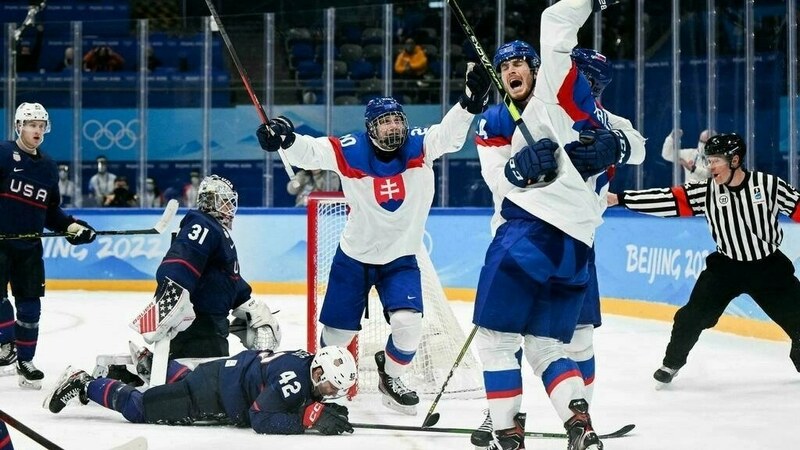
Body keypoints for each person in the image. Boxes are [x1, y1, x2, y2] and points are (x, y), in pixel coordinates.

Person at [256, 64, 491, 415]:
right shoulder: (350, 150)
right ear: (370, 129)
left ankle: (390, 378)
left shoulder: (420, 146)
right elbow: (311, 151)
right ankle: (320, 390)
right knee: (336, 338)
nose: (393, 127)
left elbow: (450, 135)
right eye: (385, 122)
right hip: (354, 259)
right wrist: (285, 139)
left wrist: (469, 103)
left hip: (401, 259)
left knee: (409, 327)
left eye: (397, 120)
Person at [471, 40, 644, 449]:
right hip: (547, 237)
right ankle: (551, 417)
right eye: (575, 74)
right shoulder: (508, 116)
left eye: (588, 80)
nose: (580, 83)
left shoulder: (597, 118)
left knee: (559, 337)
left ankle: (541, 417)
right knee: (527, 339)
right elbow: (497, 179)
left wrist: (618, 143)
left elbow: (636, 145)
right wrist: (514, 170)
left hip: (556, 238)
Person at [607, 133, 800, 386]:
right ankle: (672, 363)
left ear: (735, 160)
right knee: (690, 317)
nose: (710, 166)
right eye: (709, 161)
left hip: (768, 269)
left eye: (716, 160)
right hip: (726, 269)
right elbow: (667, 199)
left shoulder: (768, 185)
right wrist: (621, 199)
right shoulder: (706, 191)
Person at [46, 347, 358, 436]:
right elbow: (260, 418)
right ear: (318, 372)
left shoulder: (306, 362)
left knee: (185, 384)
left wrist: (317, 408)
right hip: (211, 393)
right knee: (142, 408)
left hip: (220, 375)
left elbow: (283, 391)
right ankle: (84, 383)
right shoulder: (296, 381)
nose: (332, 392)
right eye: (332, 385)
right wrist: (305, 421)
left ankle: (153, 364)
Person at [0, 102, 96, 390]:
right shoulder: (3, 154)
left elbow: (51, 212)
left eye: (41, 126)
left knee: (30, 307)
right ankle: (6, 343)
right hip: (0, 243)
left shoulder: (48, 167)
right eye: (32, 124)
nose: (37, 130)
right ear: (19, 126)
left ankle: (25, 361)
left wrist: (72, 227)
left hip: (29, 247)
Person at [151, 174, 280, 359]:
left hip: (213, 326)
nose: (230, 207)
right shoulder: (202, 223)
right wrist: (173, 296)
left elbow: (226, 276)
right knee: (201, 376)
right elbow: (181, 261)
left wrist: (245, 300)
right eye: (225, 201)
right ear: (209, 201)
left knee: (215, 372)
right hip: (197, 328)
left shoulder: (216, 230)